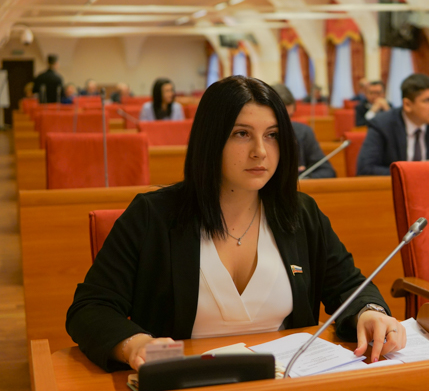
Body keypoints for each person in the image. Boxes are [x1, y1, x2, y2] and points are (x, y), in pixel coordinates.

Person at [66, 76, 405, 373]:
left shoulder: (300, 213)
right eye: (242, 134)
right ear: (211, 140)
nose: (260, 151)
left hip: (285, 382)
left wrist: (369, 312)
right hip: (188, 383)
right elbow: (90, 308)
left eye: (272, 135)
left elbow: (351, 287)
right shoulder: (152, 215)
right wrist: (134, 344)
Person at [357, 74, 429, 176]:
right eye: (428, 100)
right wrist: (413, 175)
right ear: (407, 105)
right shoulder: (382, 125)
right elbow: (365, 169)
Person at [271, 83, 336, 179]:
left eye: (289, 117)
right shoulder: (256, 139)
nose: (285, 124)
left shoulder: (303, 132)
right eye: (280, 118)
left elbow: (327, 171)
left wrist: (305, 176)